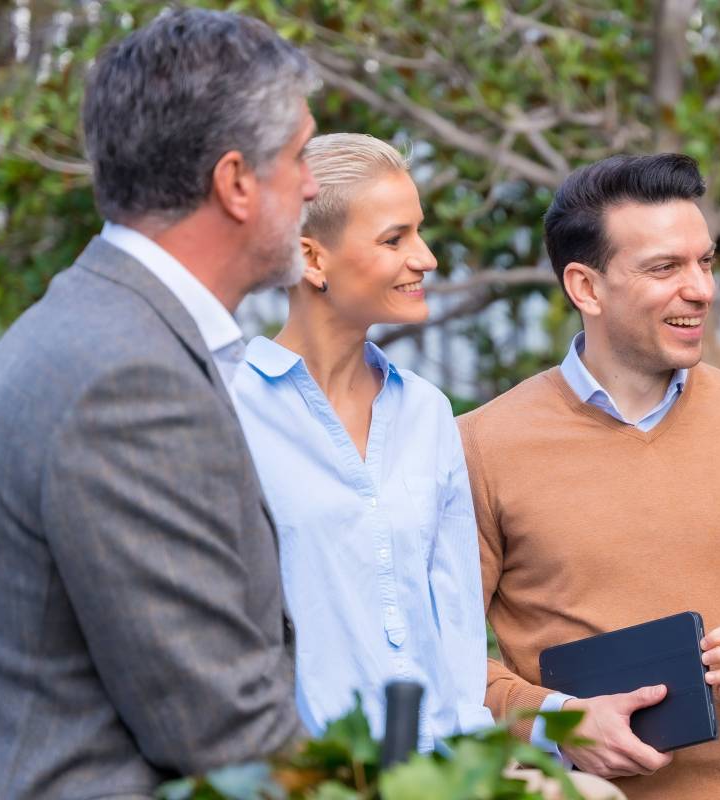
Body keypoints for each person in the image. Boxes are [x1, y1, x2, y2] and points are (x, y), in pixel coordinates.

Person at [0, 9, 317, 797]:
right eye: (301, 155)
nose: (314, 182)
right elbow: (222, 729)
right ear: (236, 181)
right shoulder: (127, 379)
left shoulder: (92, 327)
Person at [457, 153, 720, 798]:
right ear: (585, 288)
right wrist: (558, 722)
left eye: (704, 261)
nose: (701, 288)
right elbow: (438, 659)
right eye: (664, 268)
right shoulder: (480, 445)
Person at [231, 133, 492, 750]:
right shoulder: (231, 411)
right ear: (311, 260)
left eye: (418, 233)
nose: (425, 258)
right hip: (304, 778)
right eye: (394, 239)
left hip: (436, 775)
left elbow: (455, 624)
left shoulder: (428, 412)